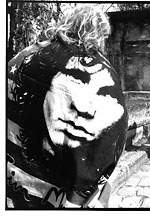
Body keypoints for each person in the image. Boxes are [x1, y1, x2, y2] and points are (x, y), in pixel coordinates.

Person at [7, 5, 128, 208]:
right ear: (99, 34)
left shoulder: (24, 55)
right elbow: (111, 138)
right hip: (56, 195)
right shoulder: (99, 69)